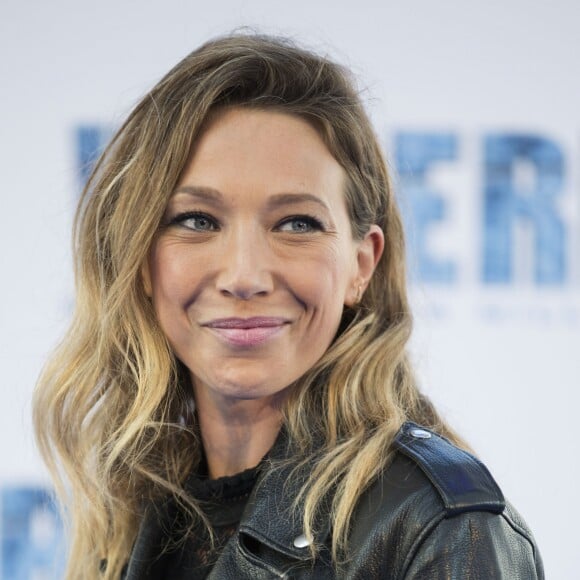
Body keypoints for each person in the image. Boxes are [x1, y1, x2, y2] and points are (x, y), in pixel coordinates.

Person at [33, 33, 544, 579]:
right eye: (197, 221)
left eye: (296, 223)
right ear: (140, 261)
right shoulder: (132, 511)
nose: (244, 276)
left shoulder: (440, 527)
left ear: (361, 264)